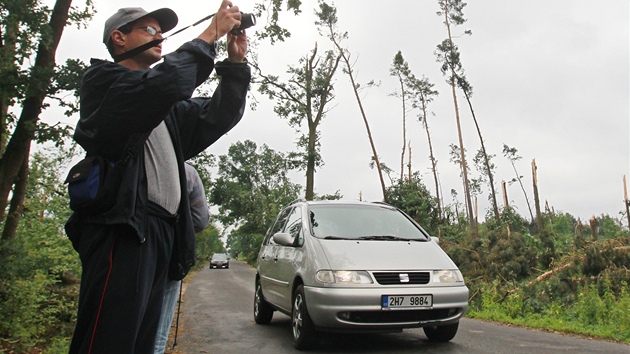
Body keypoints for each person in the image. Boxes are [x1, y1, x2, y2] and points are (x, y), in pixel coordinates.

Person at [64, 1, 250, 353]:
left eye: (161, 30)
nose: (160, 35)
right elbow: (165, 85)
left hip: (163, 232)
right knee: (109, 338)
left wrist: (236, 64)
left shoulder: (165, 108)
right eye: (149, 30)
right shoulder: (104, 82)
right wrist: (210, 34)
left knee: (143, 342)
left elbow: (217, 114)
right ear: (119, 38)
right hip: (123, 228)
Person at [154, 163, 210, 354]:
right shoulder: (186, 172)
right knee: (157, 335)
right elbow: (200, 220)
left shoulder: (119, 157)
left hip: (119, 251)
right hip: (168, 253)